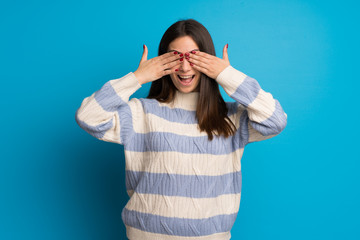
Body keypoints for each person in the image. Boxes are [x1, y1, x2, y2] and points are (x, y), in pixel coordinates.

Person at [75, 18, 287, 240]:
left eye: (194, 57)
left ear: (209, 60)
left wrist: (227, 75)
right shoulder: (140, 113)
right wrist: (138, 77)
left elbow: (276, 121)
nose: (185, 67)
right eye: (176, 58)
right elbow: (87, 116)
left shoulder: (232, 117)